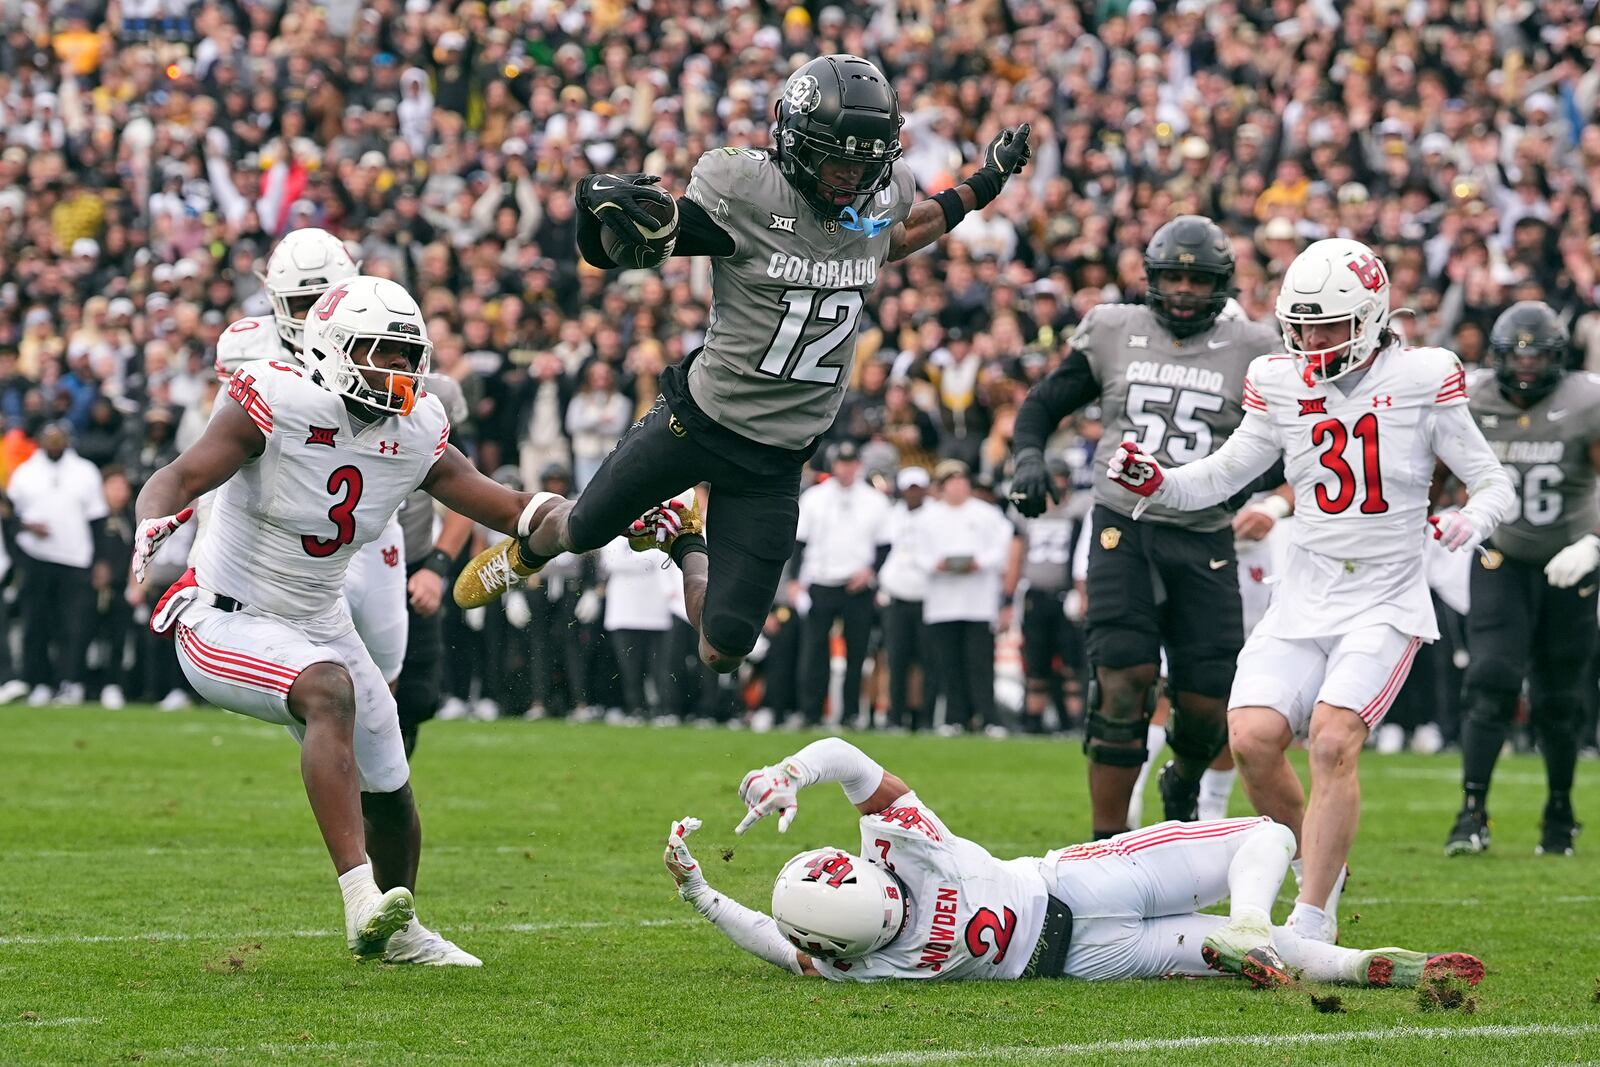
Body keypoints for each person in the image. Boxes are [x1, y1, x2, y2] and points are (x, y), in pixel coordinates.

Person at [452, 54, 1032, 685]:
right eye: (838, 161)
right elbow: (640, 245)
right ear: (794, 139)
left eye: (866, 165)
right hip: (696, 422)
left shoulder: (880, 196)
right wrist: (606, 216)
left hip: (777, 460)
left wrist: (984, 184)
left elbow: (899, 232)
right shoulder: (748, 191)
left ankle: (682, 537)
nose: (851, 180)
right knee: (585, 529)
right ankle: (532, 544)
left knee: (723, 649)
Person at [1103, 238, 1515, 944]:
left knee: (1331, 741)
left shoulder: (1424, 375)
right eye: (1302, 323)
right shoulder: (1279, 378)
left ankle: (1314, 919)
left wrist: (1470, 519)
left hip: (1385, 596)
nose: (1312, 339)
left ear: (1372, 315)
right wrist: (1163, 482)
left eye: (1329, 324)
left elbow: (1494, 481)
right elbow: (1226, 471)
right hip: (1305, 594)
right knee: (1254, 739)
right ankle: (1320, 862)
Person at [133, 275, 545, 966]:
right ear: (329, 349)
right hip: (224, 615)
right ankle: (359, 898)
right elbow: (178, 475)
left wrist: (601, 516)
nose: (397, 369)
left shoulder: (417, 431)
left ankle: (400, 928)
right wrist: (152, 518)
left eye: (406, 354)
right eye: (378, 351)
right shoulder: (277, 399)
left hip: (319, 619)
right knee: (328, 688)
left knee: (390, 777)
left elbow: (508, 507)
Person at [659, 736, 1484, 990]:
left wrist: (702, 889)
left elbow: (773, 937)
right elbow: (844, 758)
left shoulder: (862, 960)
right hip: (1077, 893)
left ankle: (1309, 948)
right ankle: (1320, 947)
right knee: (1266, 836)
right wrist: (786, 777)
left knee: (1242, 923)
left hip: (1075, 955)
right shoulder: (905, 848)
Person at [1010, 216, 1282, 838]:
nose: (1184, 289)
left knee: (1208, 703)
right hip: (1122, 525)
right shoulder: (1113, 329)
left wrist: (1264, 495)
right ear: (1152, 279)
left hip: (1206, 529)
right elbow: (1044, 402)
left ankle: (1181, 783)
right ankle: (1107, 844)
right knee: (1123, 678)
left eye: (1197, 278)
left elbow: (1287, 446)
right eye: (1173, 277)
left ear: (1220, 283)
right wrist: (1028, 456)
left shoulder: (1256, 349)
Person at [1447, 301, 1600, 857]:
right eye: (1518, 356)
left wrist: (1595, 544)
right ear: (1498, 356)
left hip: (1570, 560)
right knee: (1490, 679)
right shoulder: (1470, 396)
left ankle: (1560, 811)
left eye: (1540, 357)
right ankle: (1471, 813)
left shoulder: (1587, 400)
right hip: (1499, 555)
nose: (1528, 367)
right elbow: (1436, 471)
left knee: (1560, 699)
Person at [790, 441, 892, 728]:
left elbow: (885, 545)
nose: (846, 468)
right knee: (814, 650)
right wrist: (797, 580)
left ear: (858, 465)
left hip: (857, 584)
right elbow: (800, 542)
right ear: (834, 465)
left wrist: (870, 572)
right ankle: (811, 712)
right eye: (841, 462)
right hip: (821, 581)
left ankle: (849, 713)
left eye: (851, 462)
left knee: (856, 652)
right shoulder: (815, 498)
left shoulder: (875, 500)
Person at [6, 422, 108, 706]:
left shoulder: (85, 471)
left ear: (67, 441)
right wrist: (27, 527)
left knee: (73, 625)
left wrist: (100, 561)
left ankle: (70, 681)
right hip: (36, 557)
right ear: (40, 441)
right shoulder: (26, 472)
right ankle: (37, 681)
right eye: (48, 439)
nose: (53, 443)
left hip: (76, 557)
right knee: (36, 624)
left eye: (58, 438)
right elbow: (9, 515)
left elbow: (97, 519)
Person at [913, 460, 1014, 735]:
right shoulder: (927, 517)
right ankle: (955, 717)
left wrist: (980, 562)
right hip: (942, 602)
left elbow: (1003, 547)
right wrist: (938, 564)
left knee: (979, 663)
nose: (957, 486)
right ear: (942, 487)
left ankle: (988, 717)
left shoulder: (987, 513)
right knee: (949, 663)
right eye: (951, 482)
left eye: (962, 481)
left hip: (978, 602)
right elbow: (917, 555)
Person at [876, 466, 932, 731]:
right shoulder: (891, 515)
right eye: (909, 488)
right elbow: (881, 551)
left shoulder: (935, 515)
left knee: (924, 662)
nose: (913, 493)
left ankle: (921, 716)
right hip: (896, 594)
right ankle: (895, 715)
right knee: (896, 659)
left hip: (926, 596)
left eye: (917, 488)